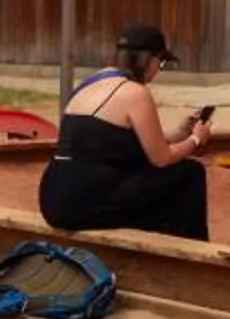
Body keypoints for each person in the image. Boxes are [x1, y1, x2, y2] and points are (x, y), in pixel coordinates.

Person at [39, 23, 214, 242]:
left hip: (53, 197)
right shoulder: (135, 93)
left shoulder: (91, 83)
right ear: (150, 60)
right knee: (189, 174)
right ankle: (189, 254)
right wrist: (196, 139)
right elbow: (162, 158)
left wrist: (181, 132)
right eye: (161, 63)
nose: (158, 70)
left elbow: (122, 142)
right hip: (84, 203)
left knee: (144, 170)